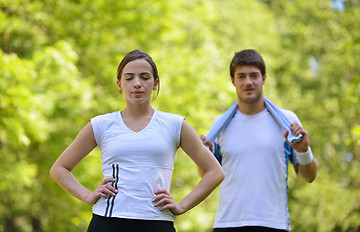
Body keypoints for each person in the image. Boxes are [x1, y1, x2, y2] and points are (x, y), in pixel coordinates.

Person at [50, 49, 224, 232]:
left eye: (145, 77)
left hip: (157, 222)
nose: (137, 84)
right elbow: (59, 169)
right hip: (108, 222)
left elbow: (214, 172)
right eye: (129, 78)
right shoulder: (101, 124)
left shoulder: (175, 124)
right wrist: (87, 196)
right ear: (119, 84)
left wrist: (182, 206)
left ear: (155, 83)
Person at [201, 49, 318, 232]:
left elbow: (308, 176)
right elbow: (205, 174)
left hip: (273, 224)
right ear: (233, 81)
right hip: (228, 223)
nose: (248, 82)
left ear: (263, 78)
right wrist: (204, 156)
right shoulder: (220, 125)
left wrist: (304, 150)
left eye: (254, 76)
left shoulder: (287, 122)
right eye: (241, 76)